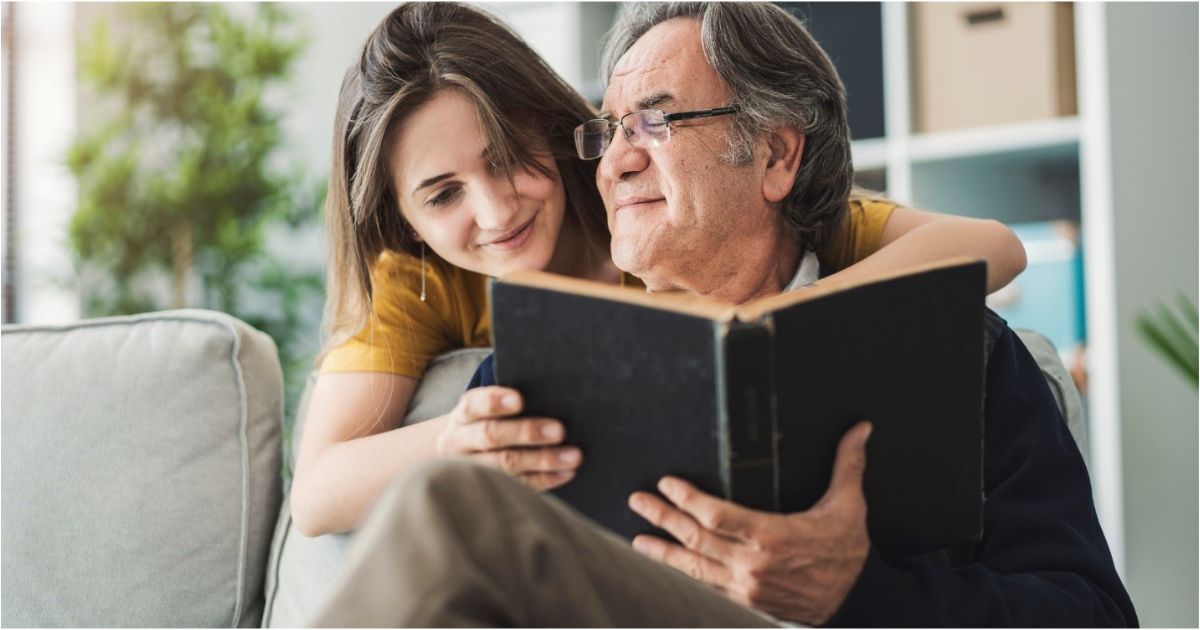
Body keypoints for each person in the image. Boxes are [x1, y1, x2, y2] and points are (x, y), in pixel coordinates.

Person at [310, 3, 1138, 627]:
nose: (616, 159)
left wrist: (857, 591)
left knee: (445, 510)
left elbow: (1091, 615)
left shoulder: (967, 354)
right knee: (452, 507)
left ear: (776, 154)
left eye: (657, 121)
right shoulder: (527, 378)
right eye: (607, 130)